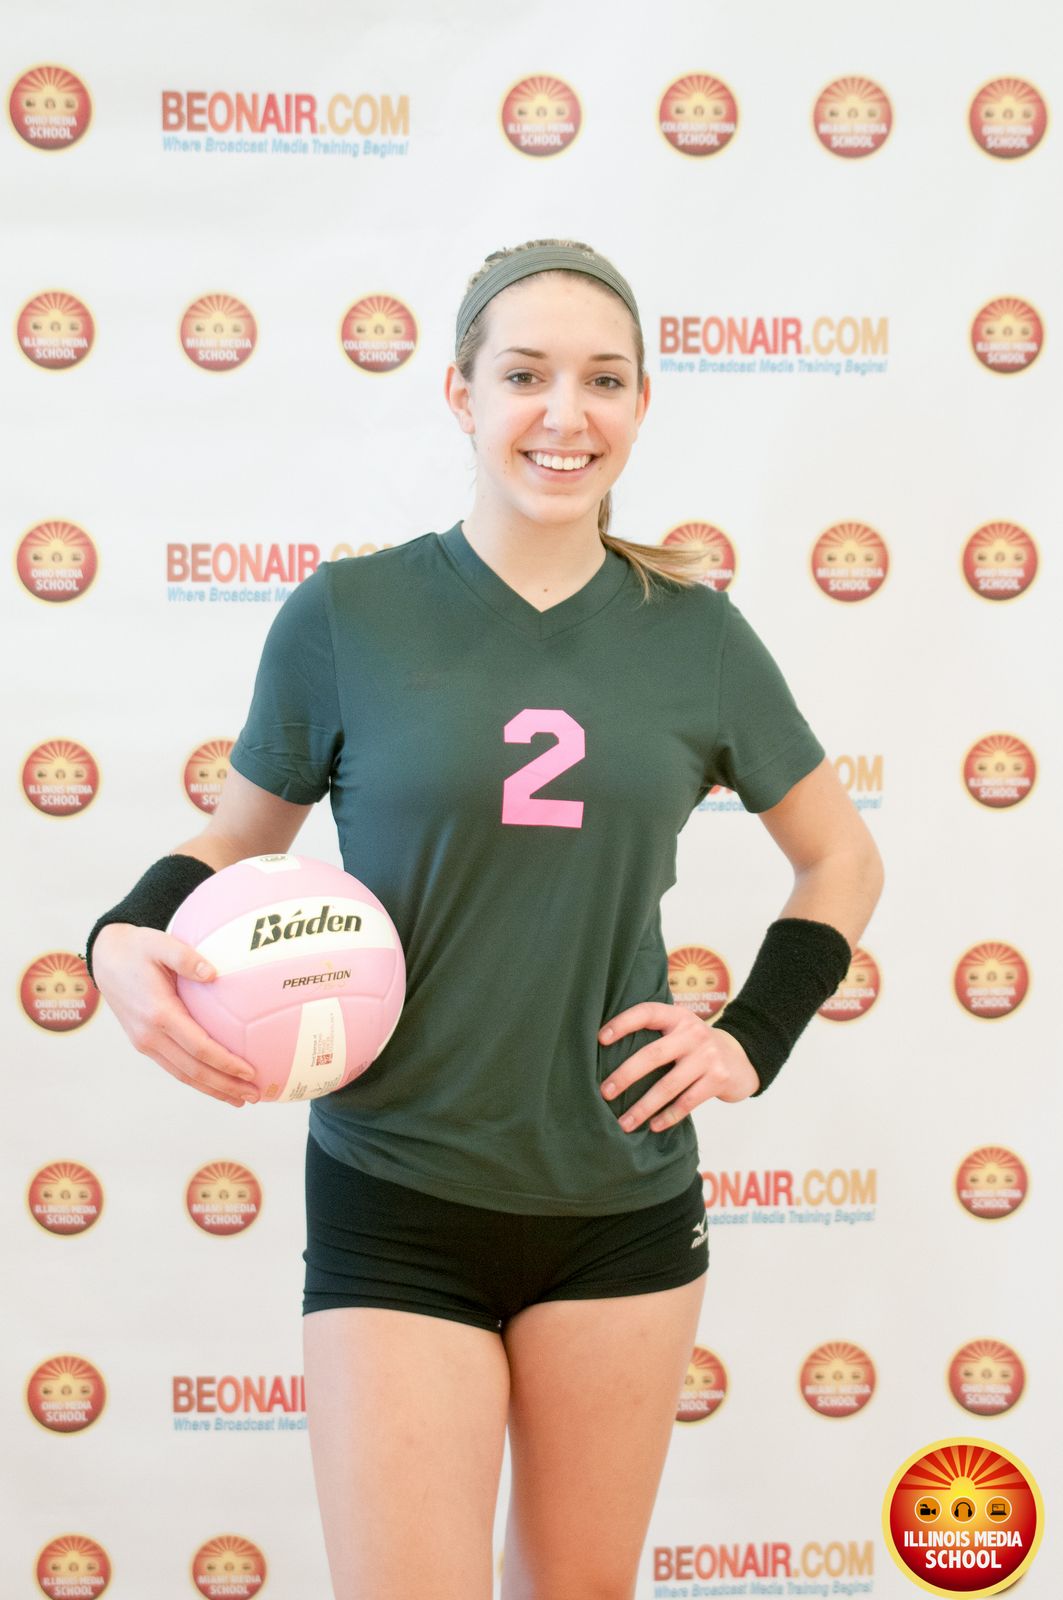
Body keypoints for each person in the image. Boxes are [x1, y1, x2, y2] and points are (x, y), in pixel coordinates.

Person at [85, 238, 884, 1600]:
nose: (565, 413)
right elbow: (234, 839)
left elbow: (840, 858)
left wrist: (753, 1036)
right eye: (525, 375)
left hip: (622, 1195)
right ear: (460, 392)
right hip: (396, 1188)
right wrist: (117, 936)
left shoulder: (695, 634)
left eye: (604, 380)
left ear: (642, 404)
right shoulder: (349, 615)